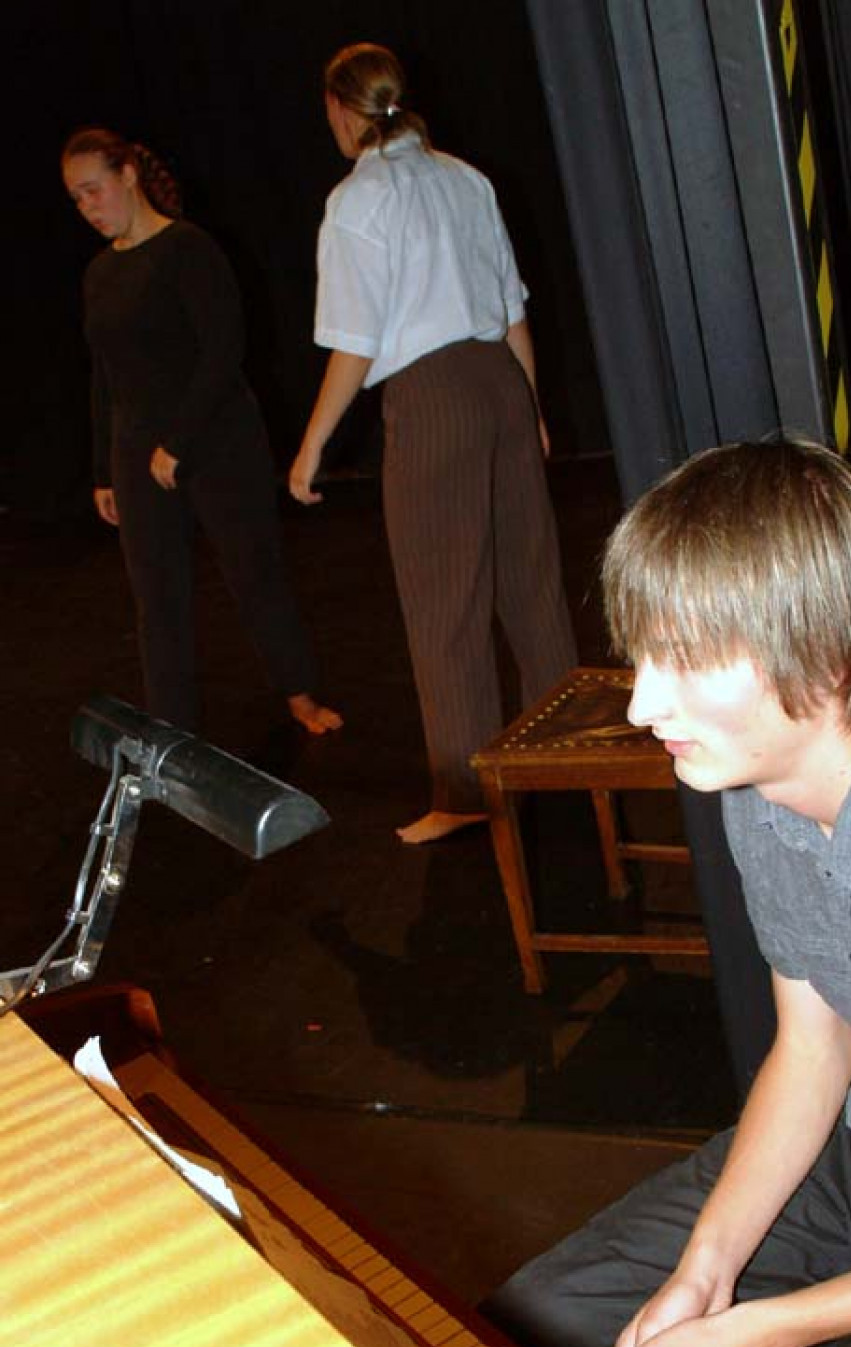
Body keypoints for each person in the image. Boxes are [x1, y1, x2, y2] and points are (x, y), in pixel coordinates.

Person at [487, 438, 851, 1347]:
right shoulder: (756, 786)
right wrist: (705, 1274)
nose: (641, 703)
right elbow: (814, 1045)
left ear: (828, 658)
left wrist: (758, 1328)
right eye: (643, 654)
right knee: (529, 1332)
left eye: (689, 659)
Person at [289, 43, 576, 844]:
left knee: (443, 603)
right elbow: (511, 306)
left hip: (433, 397)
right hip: (498, 381)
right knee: (531, 582)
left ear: (339, 108)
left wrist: (311, 445)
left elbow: (355, 340)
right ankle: (567, 760)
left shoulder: (358, 200)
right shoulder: (465, 178)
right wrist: (530, 405)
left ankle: (465, 792)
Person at [62, 126, 341, 737]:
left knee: (253, 573)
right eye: (76, 198)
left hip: (216, 438)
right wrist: (104, 470)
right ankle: (172, 732)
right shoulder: (99, 274)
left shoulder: (188, 248)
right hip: (138, 450)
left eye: (93, 190)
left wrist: (178, 443)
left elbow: (223, 351)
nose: (87, 208)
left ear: (128, 176)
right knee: (156, 597)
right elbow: (104, 376)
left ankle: (299, 693)